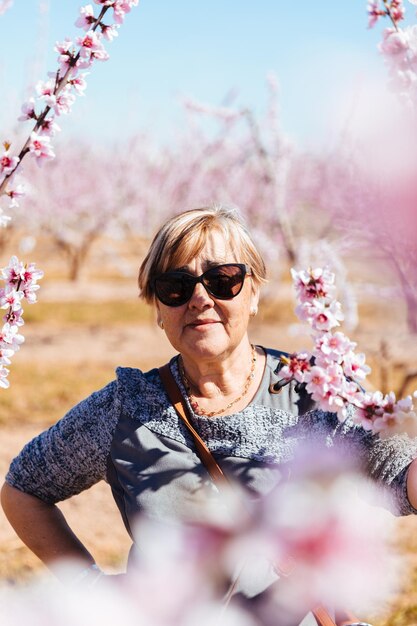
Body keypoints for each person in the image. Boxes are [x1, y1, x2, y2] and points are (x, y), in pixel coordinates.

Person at [2, 206, 417, 621]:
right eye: (176, 287)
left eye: (223, 281)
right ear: (158, 309)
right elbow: (23, 488)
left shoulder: (314, 388)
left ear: (253, 293)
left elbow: (400, 474)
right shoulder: (126, 408)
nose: (200, 299)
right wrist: (89, 584)